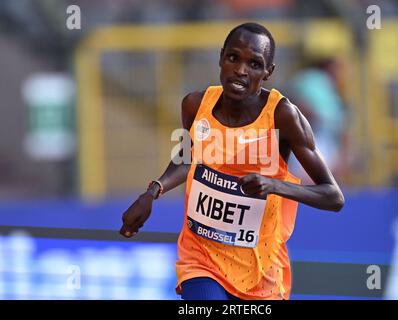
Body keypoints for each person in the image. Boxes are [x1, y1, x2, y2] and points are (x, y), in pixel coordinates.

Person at [119, 22, 345, 300]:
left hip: (262, 270)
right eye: (233, 58)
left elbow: (333, 197)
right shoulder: (195, 105)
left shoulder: (283, 117)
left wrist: (273, 186)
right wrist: (153, 191)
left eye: (254, 64)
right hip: (201, 258)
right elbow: (187, 159)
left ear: (268, 72)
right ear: (221, 57)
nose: (240, 70)